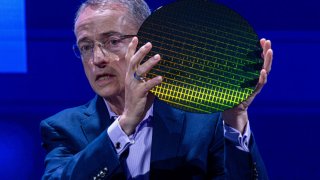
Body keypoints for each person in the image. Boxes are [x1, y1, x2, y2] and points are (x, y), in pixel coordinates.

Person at [40, 0, 273, 179]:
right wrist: (124, 125)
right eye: (86, 47)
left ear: (149, 42)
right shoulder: (63, 128)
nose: (97, 58)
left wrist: (235, 118)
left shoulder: (203, 121)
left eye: (112, 41)